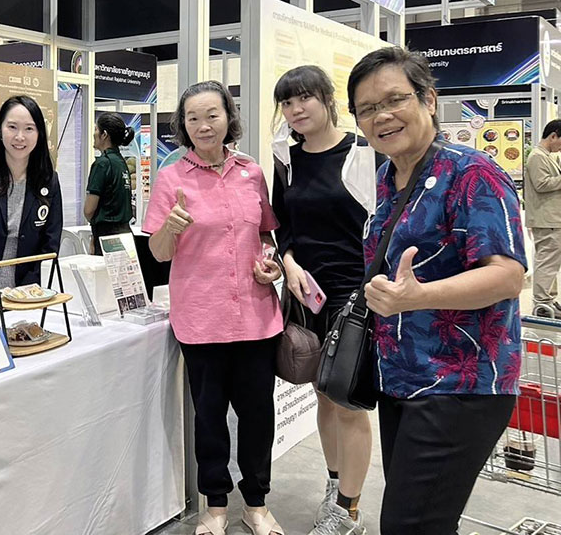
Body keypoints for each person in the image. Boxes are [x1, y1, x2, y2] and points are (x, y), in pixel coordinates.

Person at [348, 47, 526, 535]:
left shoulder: (472, 173)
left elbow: (507, 275)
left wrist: (418, 296)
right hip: (402, 378)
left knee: (409, 525)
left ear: (428, 99)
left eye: (394, 100)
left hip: (459, 384)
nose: (382, 116)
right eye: (367, 108)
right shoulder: (389, 177)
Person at [144, 81, 284, 535]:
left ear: (228, 118)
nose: (203, 126)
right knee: (209, 418)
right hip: (201, 320)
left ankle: (257, 503)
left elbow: (265, 234)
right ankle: (216, 505)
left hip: (256, 318)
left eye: (212, 115)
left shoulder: (251, 172)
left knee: (258, 416)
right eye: (193, 118)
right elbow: (159, 254)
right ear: (182, 125)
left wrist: (271, 263)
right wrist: (170, 226)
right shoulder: (171, 178)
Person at [270, 66, 379, 535]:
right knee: (323, 394)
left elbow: (380, 225)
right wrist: (289, 263)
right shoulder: (286, 161)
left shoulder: (363, 153)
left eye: (305, 98)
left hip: (355, 296)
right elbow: (282, 227)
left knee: (349, 399)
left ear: (327, 99)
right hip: (307, 296)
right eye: (287, 102)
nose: (296, 110)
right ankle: (335, 486)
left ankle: (348, 511)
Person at [0, 96, 63, 311]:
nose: (20, 137)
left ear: (39, 134)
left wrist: (29, 294)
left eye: (29, 129)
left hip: (29, 297)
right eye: (12, 127)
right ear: (0, 130)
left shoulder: (49, 180)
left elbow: (50, 244)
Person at [523, 119, 561, 318]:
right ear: (553, 136)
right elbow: (542, 184)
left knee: (551, 262)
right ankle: (542, 303)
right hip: (547, 219)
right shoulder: (537, 156)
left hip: (552, 218)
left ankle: (549, 299)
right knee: (547, 261)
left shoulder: (547, 156)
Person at [84, 112, 134, 255]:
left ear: (104, 134)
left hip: (107, 237)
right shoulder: (121, 162)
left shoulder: (102, 164)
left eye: (96, 129)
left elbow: (89, 210)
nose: (93, 134)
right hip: (126, 235)